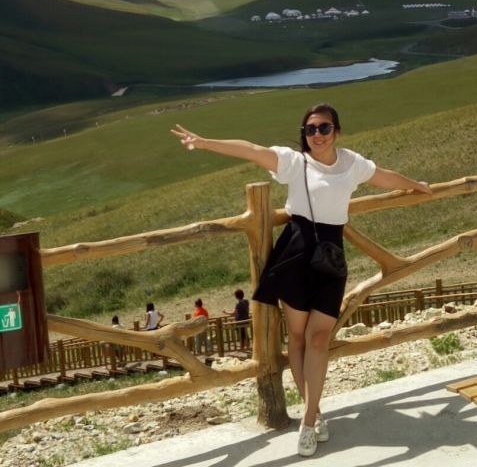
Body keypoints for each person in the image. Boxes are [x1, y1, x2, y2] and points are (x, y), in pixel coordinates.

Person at [171, 102, 432, 457]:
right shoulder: (294, 163)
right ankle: (316, 413)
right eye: (311, 129)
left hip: (330, 256)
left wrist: (416, 185)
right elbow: (251, 150)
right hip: (295, 253)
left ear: (336, 131)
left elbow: (384, 176)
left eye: (324, 128)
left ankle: (308, 422)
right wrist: (204, 142)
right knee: (297, 338)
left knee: (319, 337)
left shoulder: (352, 163)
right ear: (304, 134)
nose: (317, 135)